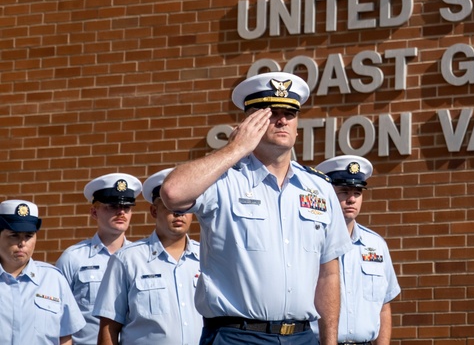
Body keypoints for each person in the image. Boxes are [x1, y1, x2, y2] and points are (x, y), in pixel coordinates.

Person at [159, 72, 351, 345]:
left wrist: (329, 342)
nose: (282, 120)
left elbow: (328, 272)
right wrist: (236, 149)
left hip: (302, 337)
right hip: (238, 335)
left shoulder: (318, 188)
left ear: (297, 126)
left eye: (290, 113)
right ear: (250, 122)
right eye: (271, 113)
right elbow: (173, 194)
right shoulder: (224, 178)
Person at [93, 168, 202, 345]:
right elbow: (109, 327)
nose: (179, 212)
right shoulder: (126, 259)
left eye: (186, 205)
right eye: (170, 205)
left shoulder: (207, 258)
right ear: (153, 211)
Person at [314, 155, 400, 345]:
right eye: (343, 192)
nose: (351, 199)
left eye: (357, 193)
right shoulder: (311, 240)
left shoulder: (376, 245)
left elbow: (384, 307)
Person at [57, 172, 143, 345]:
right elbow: (57, 317)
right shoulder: (73, 258)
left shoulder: (141, 259)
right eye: (112, 206)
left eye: (126, 207)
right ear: (94, 212)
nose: (121, 212)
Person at [0, 199, 86, 345]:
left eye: (29, 236)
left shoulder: (54, 280)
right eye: (14, 235)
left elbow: (65, 338)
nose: (22, 243)